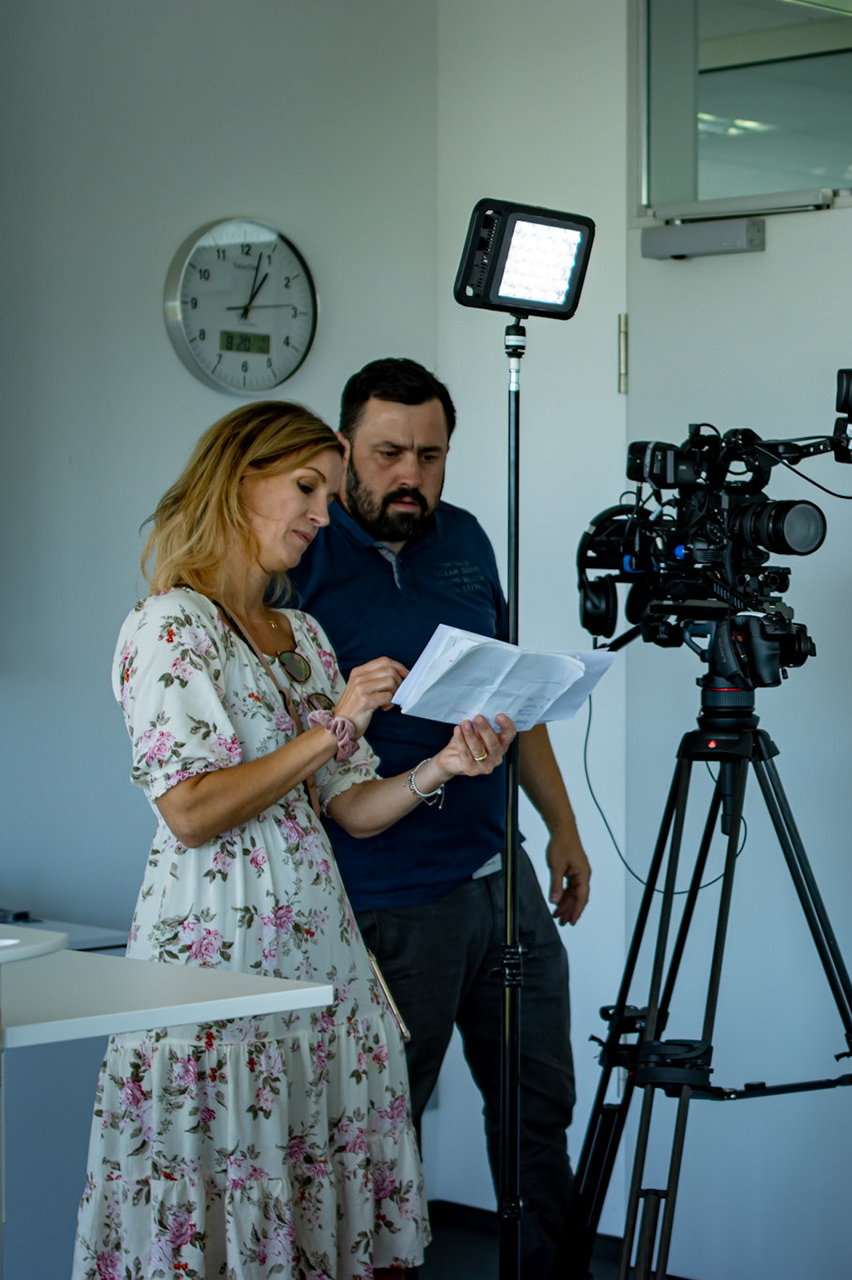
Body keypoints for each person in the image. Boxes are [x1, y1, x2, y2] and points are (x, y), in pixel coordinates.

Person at [78, 402, 516, 1279]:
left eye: (328, 494)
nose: (323, 514)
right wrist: (337, 725)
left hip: (324, 966)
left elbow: (350, 808)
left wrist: (441, 766)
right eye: (306, 489)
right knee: (223, 1195)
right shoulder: (168, 626)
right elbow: (190, 810)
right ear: (237, 481)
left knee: (317, 1209)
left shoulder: (304, 636)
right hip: (216, 966)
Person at [287, 357, 591, 1275]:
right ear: (343, 449)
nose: (410, 476)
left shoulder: (464, 539)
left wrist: (562, 827)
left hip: (500, 876)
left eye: (430, 455)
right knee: (385, 1129)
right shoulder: (302, 555)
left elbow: (514, 698)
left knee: (539, 1108)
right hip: (384, 896)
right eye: (388, 454)